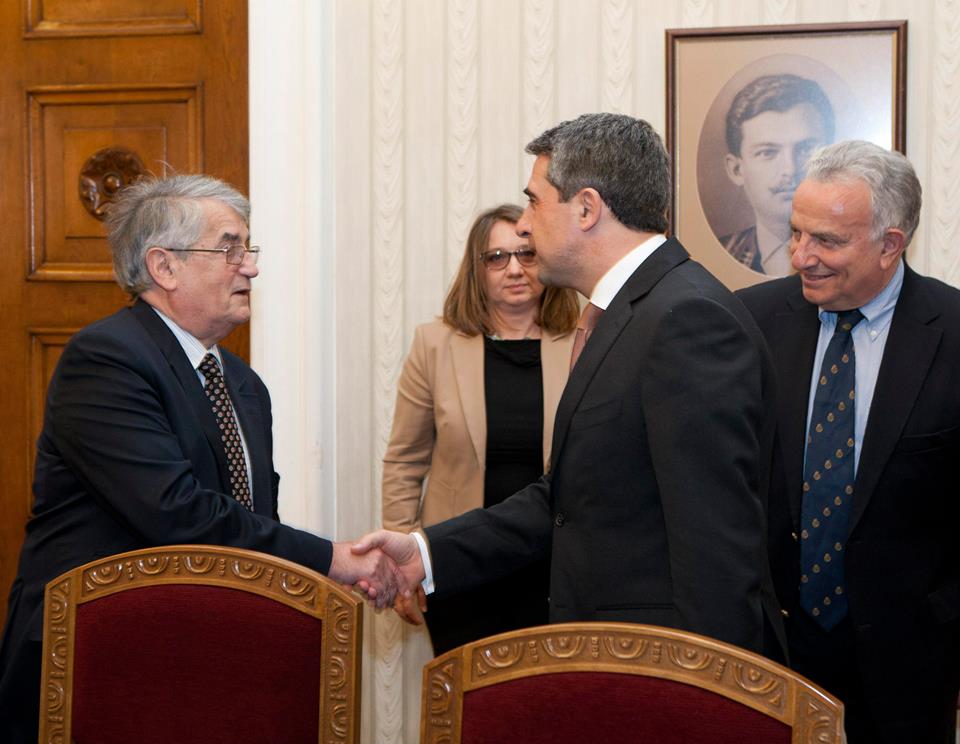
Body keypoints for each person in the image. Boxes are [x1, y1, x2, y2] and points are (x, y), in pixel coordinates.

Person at [358, 113, 786, 658]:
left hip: (662, 666)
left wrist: (704, 691)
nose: (525, 226)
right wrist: (425, 552)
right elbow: (568, 497)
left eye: (534, 202)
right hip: (615, 654)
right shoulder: (630, 312)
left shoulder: (685, 319)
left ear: (586, 208)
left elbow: (716, 548)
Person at [0, 175, 398, 743]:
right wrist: (330, 559)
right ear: (164, 266)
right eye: (230, 249)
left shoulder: (242, 382)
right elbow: (177, 513)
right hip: (94, 660)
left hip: (204, 656)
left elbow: (254, 519)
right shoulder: (107, 359)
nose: (250, 267)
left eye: (249, 249)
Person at [736, 141, 960, 743]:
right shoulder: (749, 322)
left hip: (910, 664)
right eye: (796, 232)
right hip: (771, 654)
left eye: (827, 241)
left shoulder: (953, 332)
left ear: (891, 244)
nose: (801, 257)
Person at [382, 204, 578, 654]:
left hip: (551, 563)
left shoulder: (582, 341)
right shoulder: (435, 344)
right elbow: (404, 461)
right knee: (463, 689)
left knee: (545, 689)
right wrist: (401, 556)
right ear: (477, 269)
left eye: (526, 254)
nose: (514, 269)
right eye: (497, 258)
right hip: (460, 560)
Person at [720, 74, 834, 276]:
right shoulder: (725, 252)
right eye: (767, 153)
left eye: (806, 149)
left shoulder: (859, 255)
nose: (790, 170)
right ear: (736, 169)